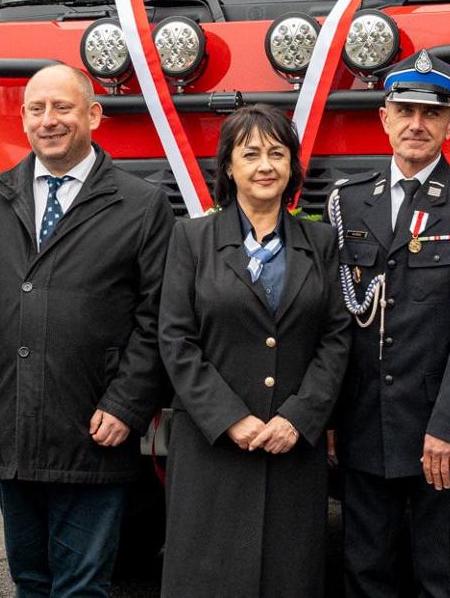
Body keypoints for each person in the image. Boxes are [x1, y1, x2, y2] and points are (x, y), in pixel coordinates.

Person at [0, 64, 174, 598]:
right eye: (37, 109)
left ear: (93, 114)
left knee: (83, 587)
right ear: (22, 119)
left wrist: (126, 405)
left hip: (94, 430)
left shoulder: (141, 205)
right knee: (29, 581)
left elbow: (159, 317)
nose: (50, 120)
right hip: (9, 424)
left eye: (63, 108)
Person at [328, 53, 450, 598]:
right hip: (364, 421)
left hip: (443, 425)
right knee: (365, 571)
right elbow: (338, 317)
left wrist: (449, 427)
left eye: (431, 114)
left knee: (442, 575)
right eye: (404, 110)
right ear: (383, 117)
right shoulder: (347, 199)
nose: (416, 124)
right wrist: (333, 416)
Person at [157, 104, 352, 597]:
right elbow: (176, 339)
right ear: (228, 167)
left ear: (291, 166)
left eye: (276, 153)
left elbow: (336, 338)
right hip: (212, 449)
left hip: (291, 448)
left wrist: (299, 418)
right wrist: (229, 418)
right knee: (207, 578)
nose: (265, 165)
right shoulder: (192, 239)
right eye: (250, 154)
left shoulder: (321, 242)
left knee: (288, 577)